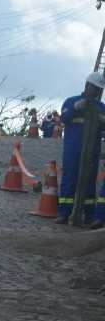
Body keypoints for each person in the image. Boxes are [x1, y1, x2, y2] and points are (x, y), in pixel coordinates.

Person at [56, 72, 105, 225]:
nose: (97, 92)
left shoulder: (101, 108)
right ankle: (64, 213)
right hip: (73, 148)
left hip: (92, 150)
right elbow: (64, 118)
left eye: (99, 89)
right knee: (69, 179)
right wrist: (76, 108)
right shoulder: (71, 102)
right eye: (95, 88)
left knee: (90, 182)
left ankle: (89, 215)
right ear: (87, 85)